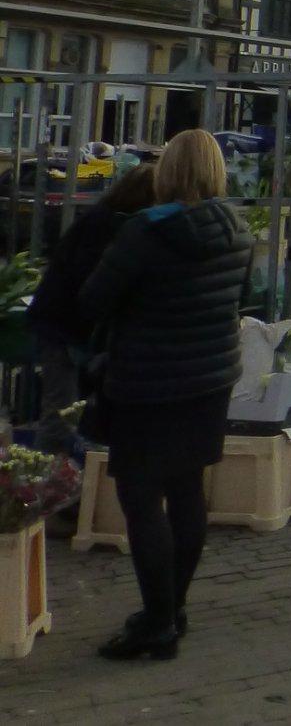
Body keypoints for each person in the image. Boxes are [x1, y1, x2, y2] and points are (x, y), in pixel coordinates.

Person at [79, 128, 251, 661]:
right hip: (210, 381)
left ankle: (156, 622)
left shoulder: (144, 234)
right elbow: (237, 300)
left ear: (167, 172)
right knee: (186, 492)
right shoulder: (238, 231)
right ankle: (173, 608)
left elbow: (92, 303)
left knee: (139, 497)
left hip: (148, 383)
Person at [25, 164, 157, 446]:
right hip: (64, 328)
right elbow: (91, 286)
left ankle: (54, 476)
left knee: (65, 409)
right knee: (61, 414)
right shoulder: (112, 229)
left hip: (61, 324)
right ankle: (46, 481)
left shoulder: (102, 220)